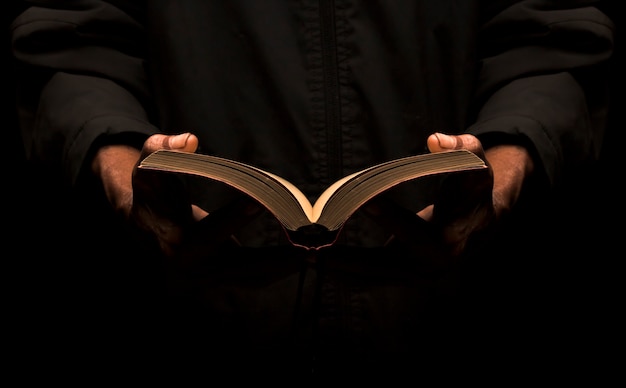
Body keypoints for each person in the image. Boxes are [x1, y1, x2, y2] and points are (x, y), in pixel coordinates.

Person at [9, 0, 615, 381]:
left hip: (455, 319)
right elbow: (75, 42)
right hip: (185, 318)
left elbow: (549, 40)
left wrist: (499, 178)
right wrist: (125, 178)